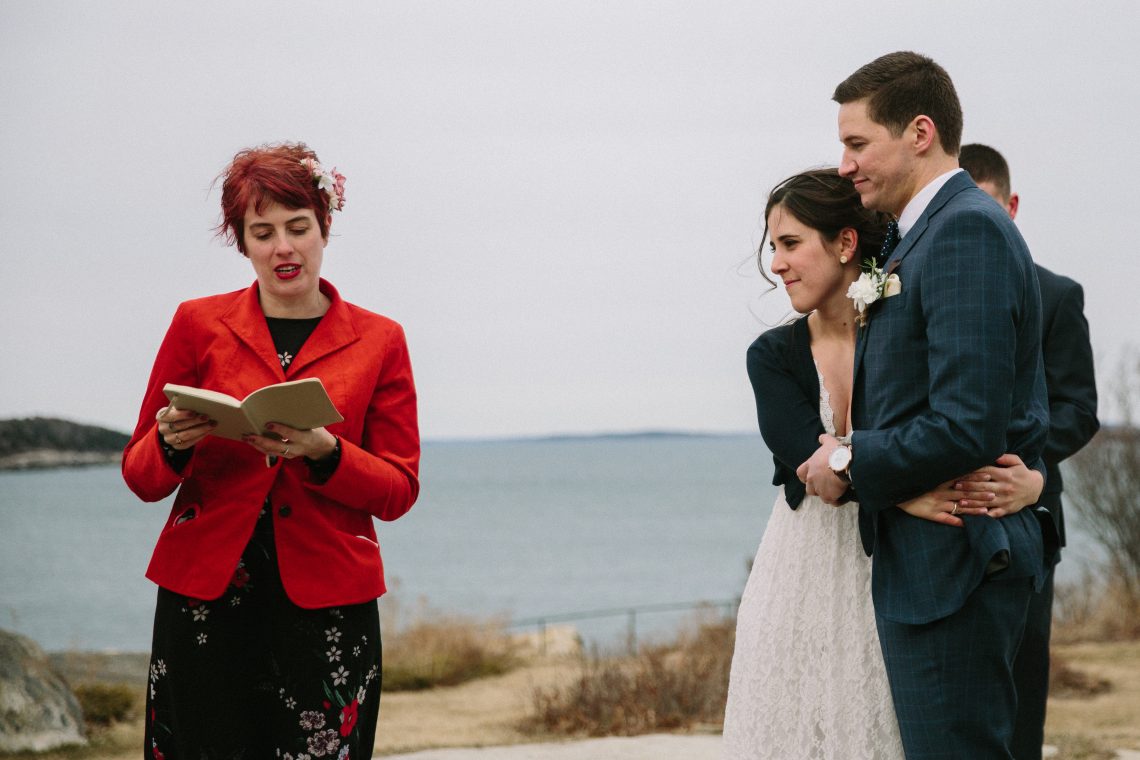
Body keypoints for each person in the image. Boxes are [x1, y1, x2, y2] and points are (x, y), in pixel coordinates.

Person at [721, 169, 1044, 760]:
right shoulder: (771, 357)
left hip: (901, 564)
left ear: (846, 245)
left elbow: (966, 420)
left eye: (790, 244)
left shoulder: (901, 330)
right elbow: (810, 464)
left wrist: (1037, 477)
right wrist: (904, 494)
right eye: (773, 248)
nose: (777, 264)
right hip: (807, 566)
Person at [122, 142, 419, 759]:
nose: (283, 247)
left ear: (324, 227)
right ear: (243, 242)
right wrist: (171, 444)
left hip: (327, 605)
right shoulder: (196, 324)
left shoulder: (381, 341)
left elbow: (398, 490)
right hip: (207, 598)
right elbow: (141, 476)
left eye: (297, 227)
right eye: (263, 232)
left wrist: (325, 453)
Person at [798, 51, 1050, 757]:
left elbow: (967, 422)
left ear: (919, 132)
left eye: (856, 143)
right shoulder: (924, 236)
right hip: (937, 561)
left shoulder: (964, 231)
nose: (844, 164)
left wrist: (847, 456)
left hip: (956, 562)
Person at [960, 143, 1099, 760]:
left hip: (1030, 516)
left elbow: (1078, 408)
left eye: (984, 208)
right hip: (935, 517)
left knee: (1019, 680)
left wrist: (1029, 471)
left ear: (1011, 207)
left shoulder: (1058, 295)